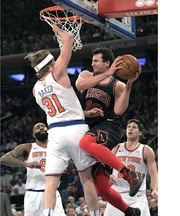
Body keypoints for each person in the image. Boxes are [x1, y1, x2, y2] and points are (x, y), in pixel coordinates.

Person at [24, 25, 99, 216]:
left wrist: (84, 113)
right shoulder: (57, 73)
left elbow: (60, 108)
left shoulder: (35, 89)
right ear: (50, 65)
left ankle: (48, 214)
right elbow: (68, 39)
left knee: (51, 182)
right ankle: (96, 214)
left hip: (55, 133)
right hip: (76, 131)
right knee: (86, 179)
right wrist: (57, 27)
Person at [75, 47, 144, 215]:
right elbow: (79, 85)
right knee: (102, 188)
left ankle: (129, 174)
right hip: (89, 127)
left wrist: (129, 84)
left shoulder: (117, 85)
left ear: (107, 63)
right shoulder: (86, 75)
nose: (92, 63)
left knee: (85, 143)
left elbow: (119, 111)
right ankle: (131, 212)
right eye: (92, 60)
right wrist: (86, 113)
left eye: (96, 61)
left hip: (108, 126)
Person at [0, 122, 65, 216]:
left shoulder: (56, 147)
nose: (41, 128)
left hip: (53, 193)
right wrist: (27, 164)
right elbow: (3, 159)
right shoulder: (28, 147)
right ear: (34, 134)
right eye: (38, 127)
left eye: (43, 126)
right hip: (34, 194)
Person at [104, 119, 158, 216]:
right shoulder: (116, 148)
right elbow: (105, 166)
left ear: (140, 133)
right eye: (128, 127)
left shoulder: (146, 150)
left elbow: (154, 174)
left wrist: (155, 189)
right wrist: (107, 175)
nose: (130, 129)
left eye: (134, 127)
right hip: (117, 193)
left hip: (137, 196)